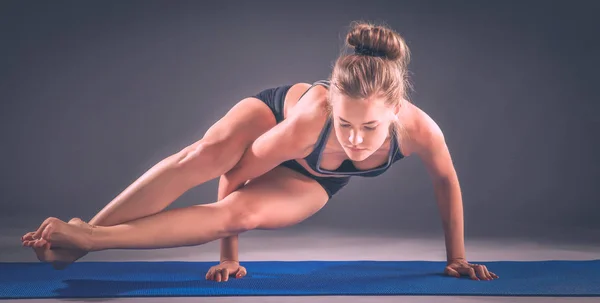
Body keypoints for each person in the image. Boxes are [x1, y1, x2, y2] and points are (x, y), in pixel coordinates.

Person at [21, 21, 498, 282]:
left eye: (369, 128)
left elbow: (445, 181)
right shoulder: (307, 123)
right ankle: (79, 238)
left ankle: (89, 238)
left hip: (316, 175)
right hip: (272, 121)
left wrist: (456, 256)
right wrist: (230, 256)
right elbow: (235, 174)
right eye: (345, 123)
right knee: (206, 157)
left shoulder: (422, 132)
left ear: (395, 112)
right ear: (332, 105)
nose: (354, 139)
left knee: (238, 215)